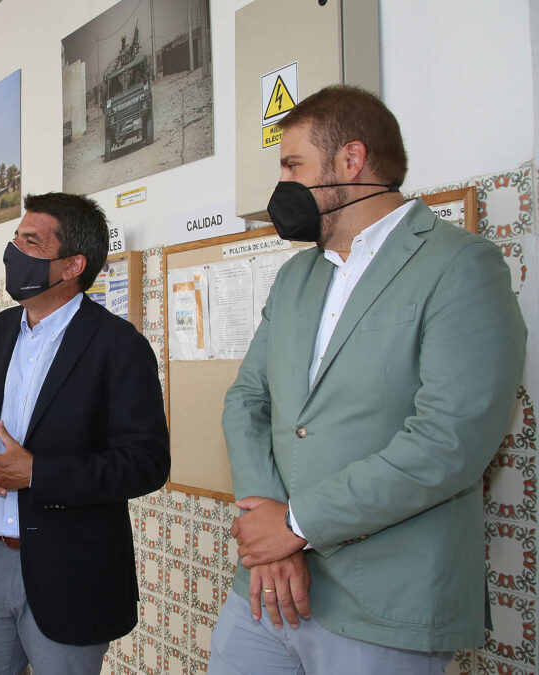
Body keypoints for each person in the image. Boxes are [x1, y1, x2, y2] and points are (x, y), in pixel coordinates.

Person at [209, 86, 527, 673]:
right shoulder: (295, 278)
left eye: (293, 165)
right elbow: (247, 400)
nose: (281, 186)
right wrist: (270, 521)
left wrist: (297, 526)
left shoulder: (460, 264)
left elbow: (449, 440)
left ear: (351, 161)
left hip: (389, 603)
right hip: (264, 592)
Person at [0, 192, 170, 674]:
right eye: (15, 239)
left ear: (73, 266)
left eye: (31, 242)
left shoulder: (119, 346)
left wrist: (38, 474)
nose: (14, 252)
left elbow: (147, 462)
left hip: (73, 573)